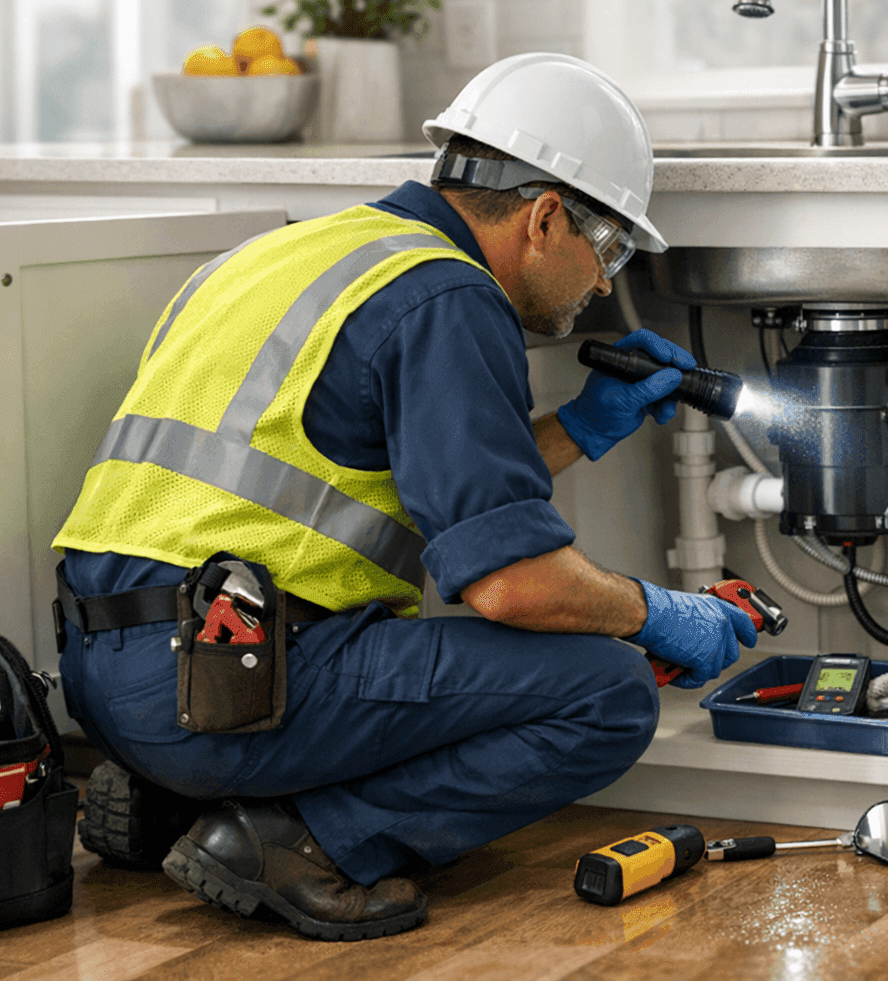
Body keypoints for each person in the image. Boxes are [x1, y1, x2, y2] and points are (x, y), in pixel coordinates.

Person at [49, 53, 757, 942]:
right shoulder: (449, 297)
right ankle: (300, 841)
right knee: (608, 694)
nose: (606, 282)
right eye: (608, 247)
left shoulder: (299, 255)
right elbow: (512, 585)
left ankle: (172, 791)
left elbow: (388, 489)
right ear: (543, 218)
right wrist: (655, 613)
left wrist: (584, 424)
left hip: (108, 683)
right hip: (228, 686)